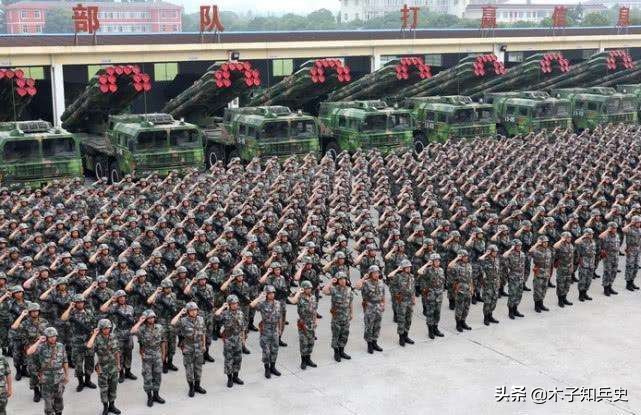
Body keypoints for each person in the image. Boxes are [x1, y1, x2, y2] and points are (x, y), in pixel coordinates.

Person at [26, 327, 68, 415]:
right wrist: (39, 341)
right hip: (46, 379)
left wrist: (67, 375)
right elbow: (29, 352)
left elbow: (65, 361)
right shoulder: (41, 347)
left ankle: (59, 412)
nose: (53, 338)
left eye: (54, 336)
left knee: (59, 399)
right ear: (46, 337)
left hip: (59, 377)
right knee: (48, 403)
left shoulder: (60, 346)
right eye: (50, 336)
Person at [60, 293, 96, 392]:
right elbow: (63, 318)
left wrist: (93, 332)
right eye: (78, 302)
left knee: (89, 363)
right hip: (77, 343)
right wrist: (70, 307)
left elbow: (94, 324)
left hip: (89, 342)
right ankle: (80, 383)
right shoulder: (71, 313)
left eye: (81, 302)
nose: (80, 304)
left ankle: (88, 381)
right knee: (78, 365)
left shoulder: (89, 312)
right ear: (74, 303)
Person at [131, 310, 166, 407]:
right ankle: (149, 396)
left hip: (157, 355)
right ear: (146, 319)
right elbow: (132, 331)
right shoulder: (142, 329)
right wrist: (140, 321)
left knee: (157, 376)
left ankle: (156, 395)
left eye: (153, 317)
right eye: (150, 317)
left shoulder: (159, 327)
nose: (152, 319)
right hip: (147, 357)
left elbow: (163, 341)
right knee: (147, 377)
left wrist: (163, 355)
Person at [170, 302, 206, 397]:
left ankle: (197, 386)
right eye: (191, 310)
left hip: (199, 348)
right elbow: (172, 323)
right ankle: (191, 388)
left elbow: (203, 333)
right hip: (188, 349)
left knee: (198, 369)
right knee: (189, 370)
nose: (194, 312)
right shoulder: (183, 321)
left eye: (195, 310)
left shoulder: (201, 319)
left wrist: (204, 345)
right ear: (188, 312)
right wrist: (180, 313)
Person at [100, 290, 136, 383]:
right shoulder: (114, 308)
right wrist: (111, 300)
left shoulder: (130, 308)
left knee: (129, 353)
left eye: (123, 297)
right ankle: (121, 373)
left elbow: (134, 319)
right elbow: (103, 309)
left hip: (129, 333)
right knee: (119, 354)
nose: (122, 298)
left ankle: (128, 371)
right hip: (119, 333)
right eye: (120, 297)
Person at [86, 319, 121, 415]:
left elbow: (117, 351)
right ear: (100, 329)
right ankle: (105, 407)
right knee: (104, 389)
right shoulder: (97, 338)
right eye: (104, 328)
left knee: (113, 387)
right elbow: (89, 346)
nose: (107, 330)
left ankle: (112, 406)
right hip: (102, 367)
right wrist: (94, 334)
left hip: (113, 366)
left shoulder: (113, 336)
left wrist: (118, 364)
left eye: (108, 328)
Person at [249, 285, 282, 379]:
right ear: (266, 294)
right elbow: (252, 305)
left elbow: (279, 316)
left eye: (273, 293)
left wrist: (279, 329)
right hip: (266, 329)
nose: (272, 295)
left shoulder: (277, 303)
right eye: (270, 293)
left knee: (275, 349)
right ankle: (267, 368)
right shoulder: (262, 304)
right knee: (266, 351)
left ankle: (273, 367)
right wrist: (260, 297)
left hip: (274, 329)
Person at [214, 295, 245, 388]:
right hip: (228, 340)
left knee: (238, 359)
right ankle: (230, 378)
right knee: (228, 360)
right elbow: (216, 315)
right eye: (232, 304)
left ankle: (236, 377)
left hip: (238, 339)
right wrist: (223, 307)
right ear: (229, 304)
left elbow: (242, 327)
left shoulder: (240, 313)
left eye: (236, 303)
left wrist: (243, 339)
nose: (235, 305)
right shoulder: (225, 313)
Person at [322, 272, 353, 362]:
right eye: (340, 279)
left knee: (344, 335)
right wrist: (331, 282)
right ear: (338, 281)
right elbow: (324, 291)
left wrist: (352, 313)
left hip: (346, 317)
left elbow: (350, 302)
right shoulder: (334, 289)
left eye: (344, 279)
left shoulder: (349, 289)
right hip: (336, 318)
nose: (343, 281)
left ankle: (342, 351)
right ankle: (336, 352)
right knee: (336, 335)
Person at [356, 265, 385, 354]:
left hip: (378, 306)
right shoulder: (366, 282)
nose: (376, 274)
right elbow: (357, 286)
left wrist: (383, 304)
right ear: (370, 274)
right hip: (370, 306)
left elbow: (383, 294)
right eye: (374, 273)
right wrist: (363, 278)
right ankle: (369, 344)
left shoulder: (381, 282)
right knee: (369, 326)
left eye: (377, 273)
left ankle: (375, 342)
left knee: (377, 325)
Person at [289, 281, 318, 370]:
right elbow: (292, 301)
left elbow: (314, 310)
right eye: (307, 288)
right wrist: (298, 292)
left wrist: (316, 320)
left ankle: (308, 359)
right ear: (303, 289)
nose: (309, 290)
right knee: (303, 342)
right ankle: (303, 361)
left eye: (310, 288)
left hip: (311, 323)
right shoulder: (299, 297)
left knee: (311, 342)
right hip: (303, 323)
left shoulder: (313, 297)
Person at [386, 259, 415, 346]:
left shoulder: (412, 277)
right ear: (403, 268)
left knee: (408, 319)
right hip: (402, 301)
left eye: (409, 267)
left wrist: (413, 298)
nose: (408, 269)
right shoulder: (398, 277)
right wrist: (396, 295)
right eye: (406, 267)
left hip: (409, 301)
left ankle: (406, 336)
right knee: (401, 320)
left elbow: (412, 289)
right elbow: (390, 282)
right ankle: (401, 338)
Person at [417, 253, 445, 339]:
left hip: (439, 295)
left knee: (437, 313)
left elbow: (442, 281)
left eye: (438, 260)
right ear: (432, 262)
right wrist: (427, 264)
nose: (437, 262)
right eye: (435, 260)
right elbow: (419, 272)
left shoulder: (441, 270)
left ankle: (436, 329)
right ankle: (430, 331)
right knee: (430, 314)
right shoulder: (428, 270)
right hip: (431, 295)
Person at [504, 239, 526, 319]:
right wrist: (511, 249)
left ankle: (515, 309)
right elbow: (504, 256)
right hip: (513, 277)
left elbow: (523, 266)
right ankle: (510, 312)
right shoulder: (510, 254)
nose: (519, 247)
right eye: (517, 246)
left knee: (519, 294)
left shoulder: (522, 254)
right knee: (512, 294)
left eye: (520, 245)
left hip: (520, 277)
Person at [480, 245, 500, 325]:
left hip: (495, 283)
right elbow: (480, 260)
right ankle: (486, 317)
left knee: (494, 300)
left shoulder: (497, 260)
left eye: (496, 252)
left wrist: (498, 281)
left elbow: (498, 272)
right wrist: (486, 253)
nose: (496, 253)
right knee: (487, 301)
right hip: (488, 283)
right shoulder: (485, 259)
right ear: (490, 252)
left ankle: (490, 315)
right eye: (494, 252)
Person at [623, 216, 641, 291]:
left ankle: (632, 281)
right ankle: (628, 283)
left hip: (637, 249)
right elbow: (623, 230)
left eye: (640, 222)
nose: (639, 224)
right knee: (630, 266)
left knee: (636, 266)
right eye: (638, 222)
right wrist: (630, 223)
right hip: (630, 249)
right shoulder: (629, 229)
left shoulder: (639, 230)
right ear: (634, 222)